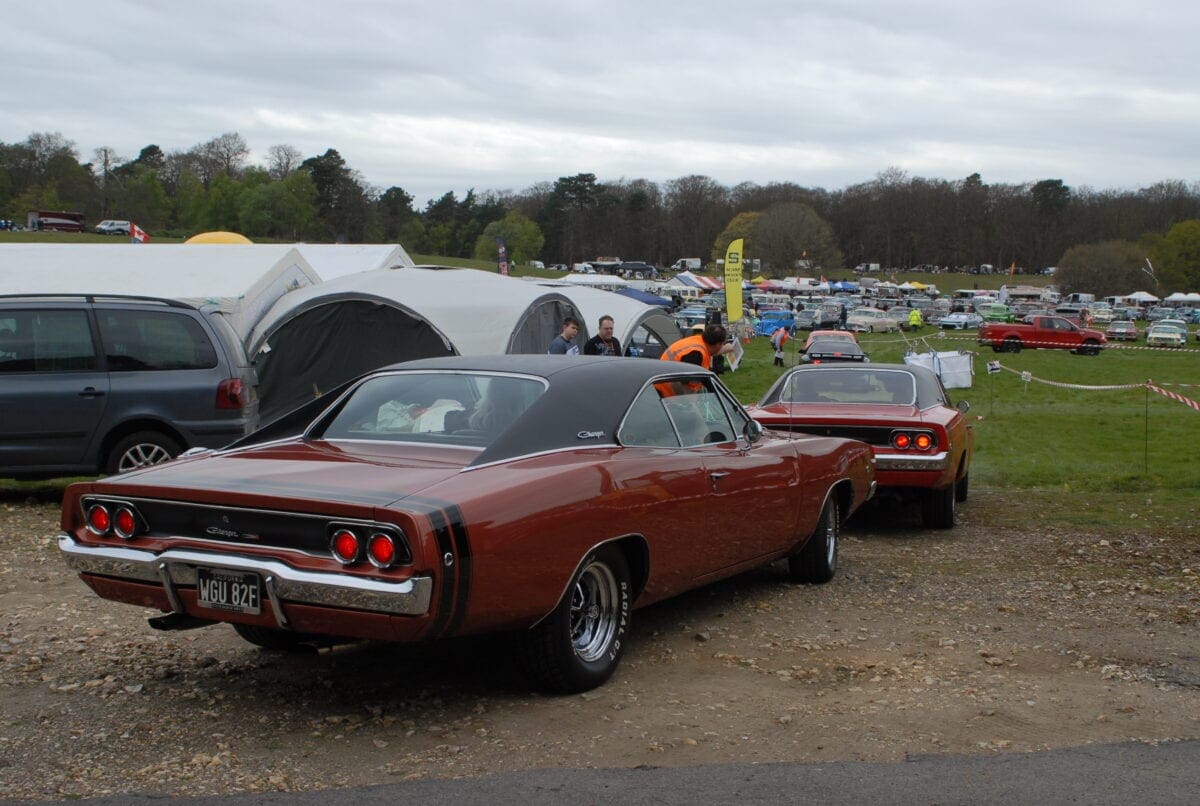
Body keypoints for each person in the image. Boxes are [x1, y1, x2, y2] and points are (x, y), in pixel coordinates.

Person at [660, 324, 735, 370]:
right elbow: (682, 383)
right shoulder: (696, 355)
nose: (722, 346)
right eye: (722, 344)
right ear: (718, 344)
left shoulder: (698, 341)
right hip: (667, 390)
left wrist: (724, 349)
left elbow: (710, 351)